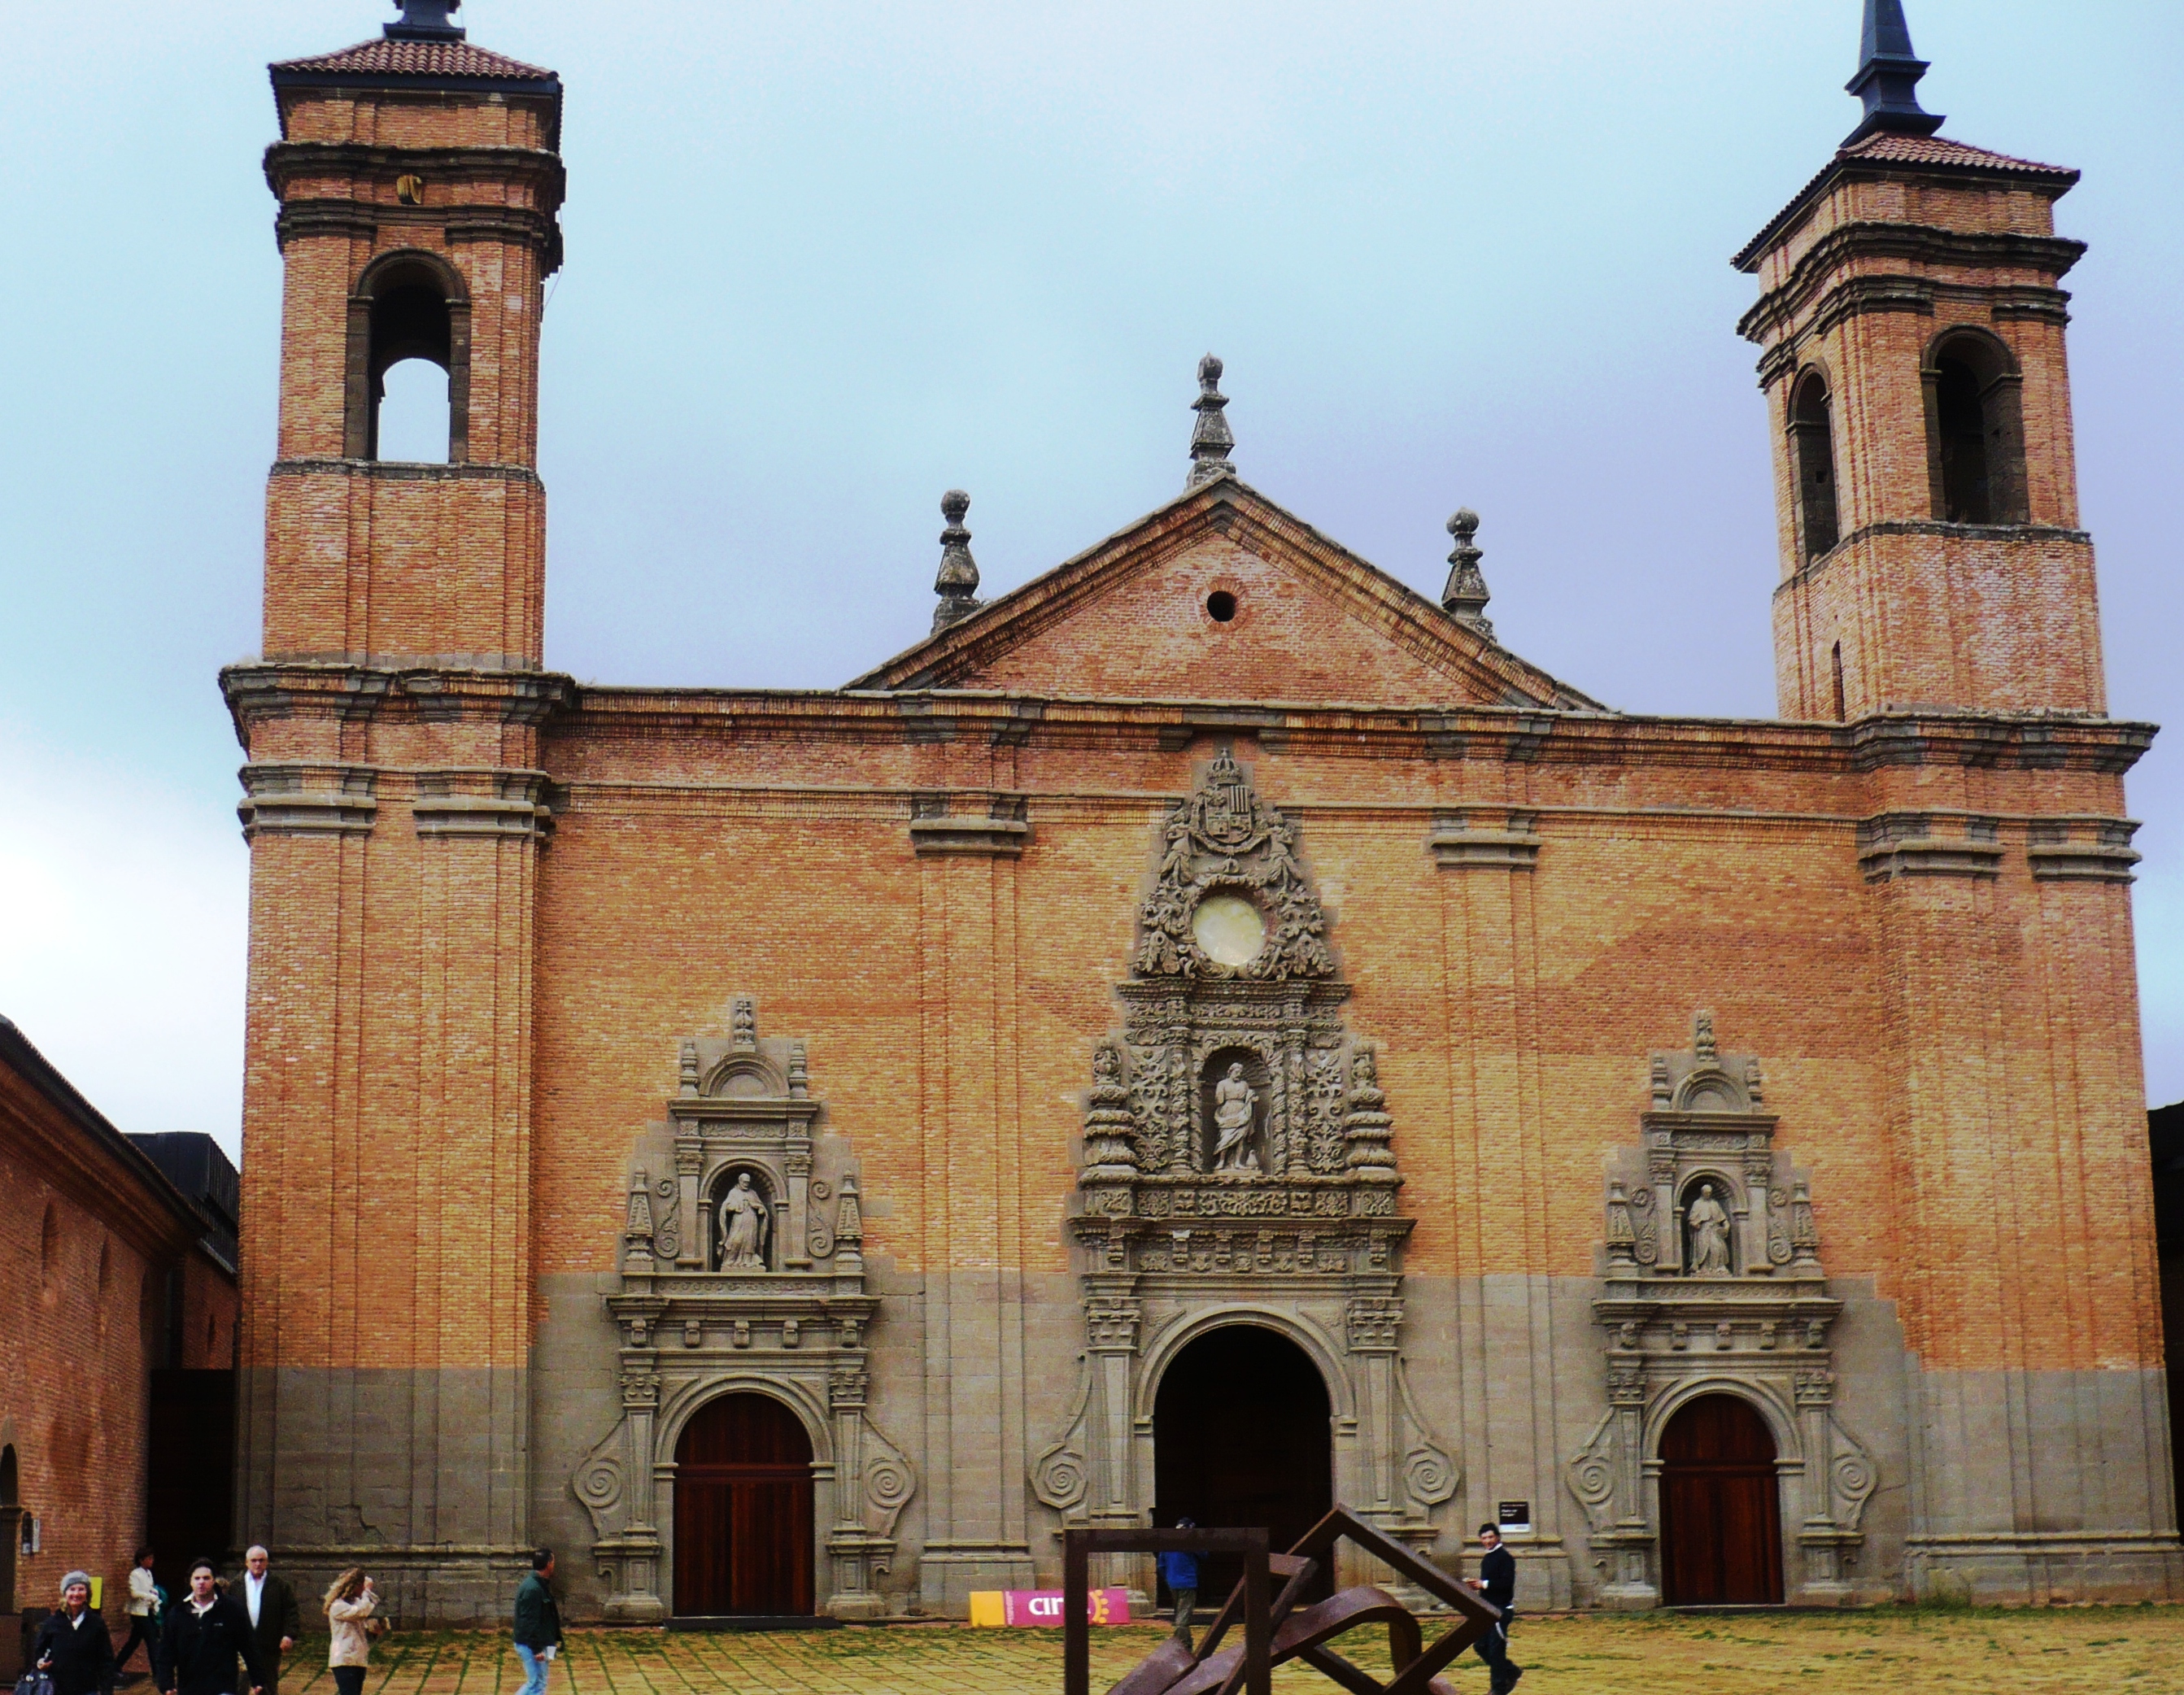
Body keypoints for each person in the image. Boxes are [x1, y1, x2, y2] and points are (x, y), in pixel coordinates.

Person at [157, 1558, 266, 1695]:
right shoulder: (178, 1614)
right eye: (197, 1578)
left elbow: (248, 1646)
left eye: (206, 1578)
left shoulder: (231, 1610)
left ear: (214, 1580)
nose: (201, 1582)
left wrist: (258, 1679)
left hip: (223, 1686)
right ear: (190, 1582)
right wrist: (166, 1684)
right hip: (190, 1686)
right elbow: (166, 1652)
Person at [33, 1571, 116, 1695]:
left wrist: (106, 1690)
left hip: (87, 1689)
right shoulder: (52, 1623)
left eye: (81, 1589)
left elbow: (106, 1659)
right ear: (65, 1594)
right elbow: (38, 1650)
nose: (76, 1594)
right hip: (57, 1689)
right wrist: (40, 1662)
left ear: (87, 1594)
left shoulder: (96, 1623)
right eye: (72, 1589)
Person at [1463, 1523, 1521, 1695]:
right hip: (1487, 1610)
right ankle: (1510, 1671)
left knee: (1496, 1650)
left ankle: (1498, 1688)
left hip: (1501, 1610)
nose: (1487, 1541)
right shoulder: (1488, 1558)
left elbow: (1506, 1583)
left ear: (1497, 1537)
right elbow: (1488, 1586)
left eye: (1490, 1537)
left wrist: (1484, 1584)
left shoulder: (1505, 1557)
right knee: (1481, 1646)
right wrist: (1478, 1586)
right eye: (1484, 1538)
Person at [239, 1548, 300, 1695]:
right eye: (254, 1560)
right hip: (241, 1645)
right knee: (241, 1685)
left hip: (269, 1645)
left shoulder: (280, 1585)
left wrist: (289, 1635)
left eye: (261, 1560)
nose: (258, 1564)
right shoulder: (236, 1585)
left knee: (268, 1687)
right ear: (247, 1563)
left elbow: (291, 1612)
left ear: (267, 1562)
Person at [321, 1569, 381, 1695]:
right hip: (344, 1659)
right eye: (362, 1587)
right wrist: (368, 1591)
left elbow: (360, 1626)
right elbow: (360, 1612)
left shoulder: (356, 1603)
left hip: (358, 1658)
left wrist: (374, 1631)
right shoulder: (337, 1606)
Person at [512, 1549, 560, 1695]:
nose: (554, 1565)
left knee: (539, 1683)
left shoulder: (538, 1585)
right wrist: (537, 1649)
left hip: (536, 1643)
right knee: (536, 1684)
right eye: (553, 1561)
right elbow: (529, 1621)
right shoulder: (533, 1588)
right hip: (531, 1645)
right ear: (548, 1564)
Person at [116, 1549, 161, 1682]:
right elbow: (134, 1593)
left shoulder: (148, 1574)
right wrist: (150, 1596)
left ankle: (116, 1665)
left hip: (147, 1611)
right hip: (138, 1613)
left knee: (134, 1641)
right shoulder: (135, 1574)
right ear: (141, 1560)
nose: (151, 1561)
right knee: (152, 1641)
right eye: (149, 1558)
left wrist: (154, 1593)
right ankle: (157, 1673)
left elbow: (148, 1588)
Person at [1156, 1519, 1199, 1652]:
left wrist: (1169, 1577)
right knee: (1182, 1617)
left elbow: (1161, 1565)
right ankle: (1183, 1645)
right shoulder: (1190, 1542)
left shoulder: (1169, 1543)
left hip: (1173, 1582)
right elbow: (1204, 1554)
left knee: (1180, 1613)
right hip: (1188, 1582)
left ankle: (1184, 1642)